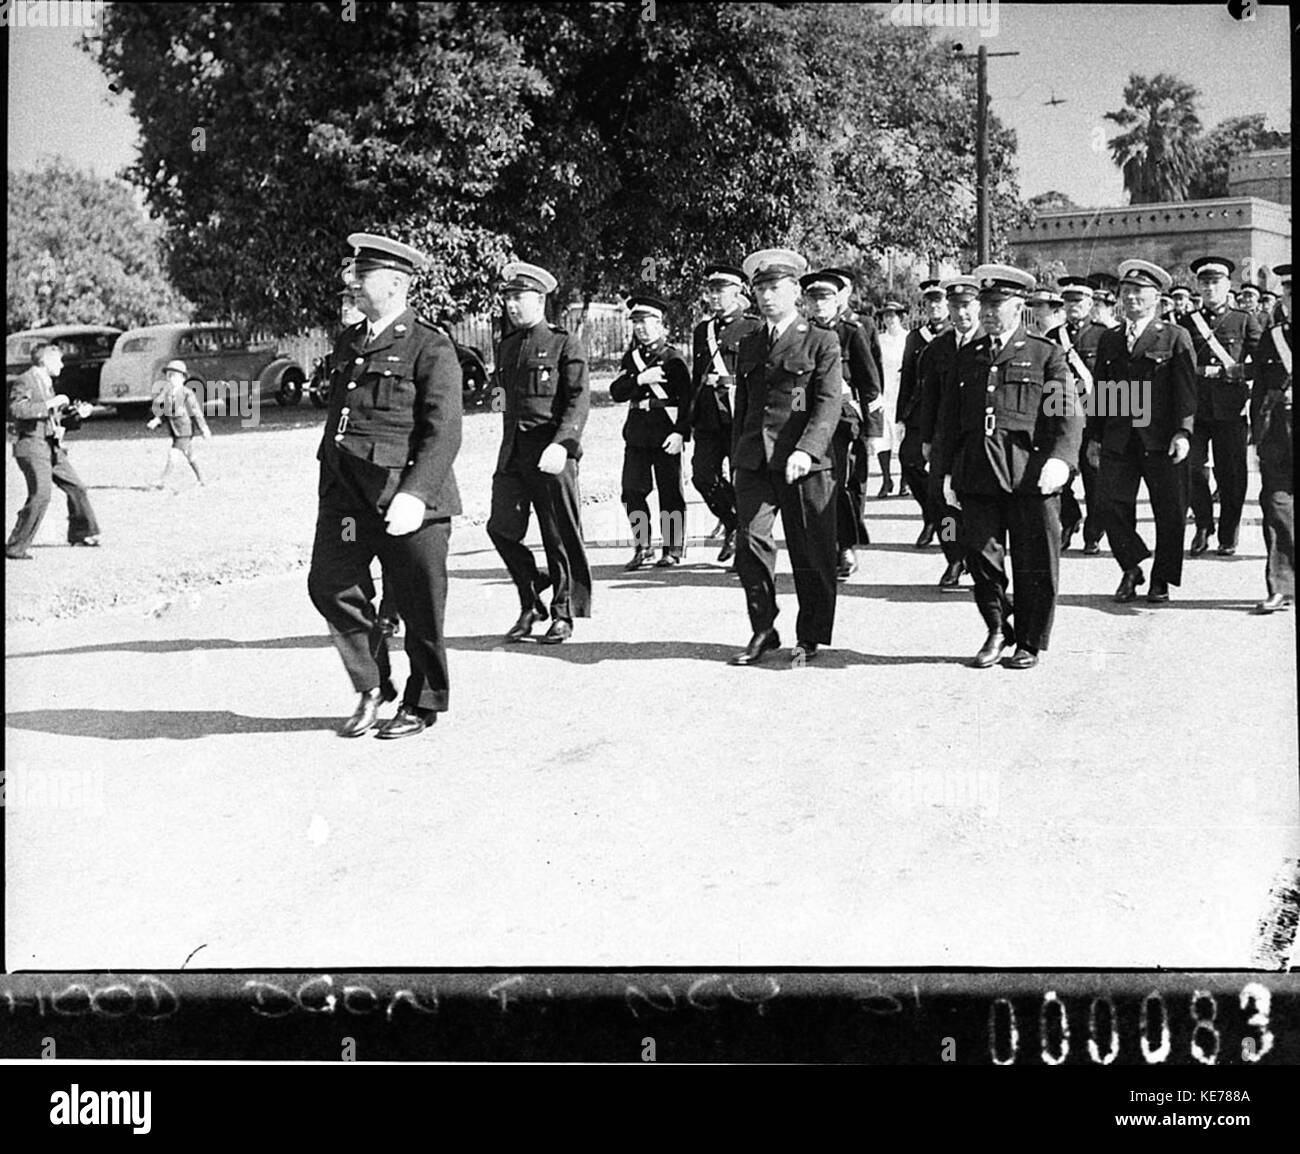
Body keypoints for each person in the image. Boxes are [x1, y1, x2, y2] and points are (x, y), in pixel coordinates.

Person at [308, 232, 463, 740]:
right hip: (349, 501)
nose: (352, 283)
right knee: (331, 585)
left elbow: (444, 430)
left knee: (420, 605)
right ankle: (372, 685)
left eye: (363, 274)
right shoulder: (350, 341)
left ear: (396, 283)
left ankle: (423, 701)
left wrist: (416, 493)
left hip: (407, 500)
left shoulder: (429, 345)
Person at [931, 264, 1081, 670]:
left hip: (1029, 473)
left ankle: (1029, 641)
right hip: (978, 471)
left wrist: (1061, 460)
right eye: (985, 304)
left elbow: (1067, 413)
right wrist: (944, 473)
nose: (987, 312)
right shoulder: (969, 355)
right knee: (981, 557)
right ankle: (998, 627)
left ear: (1018, 307)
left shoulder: (1045, 353)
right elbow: (949, 420)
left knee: (1034, 561)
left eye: (996, 304)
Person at [728, 247, 842, 666]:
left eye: (775, 288)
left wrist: (807, 450)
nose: (766, 296)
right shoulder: (750, 342)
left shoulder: (820, 340)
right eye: (760, 289)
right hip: (755, 460)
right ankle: (763, 627)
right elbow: (744, 406)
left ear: (795, 291)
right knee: (750, 543)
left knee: (809, 550)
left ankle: (809, 634)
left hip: (803, 462)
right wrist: (735, 456)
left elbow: (827, 403)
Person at [487, 260, 592, 644]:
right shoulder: (507, 346)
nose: (512, 306)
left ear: (540, 300)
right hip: (514, 453)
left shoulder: (564, 343)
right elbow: (501, 397)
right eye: (508, 299)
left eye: (519, 298)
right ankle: (532, 594)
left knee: (557, 534)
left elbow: (578, 400)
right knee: (501, 528)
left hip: (552, 453)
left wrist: (563, 444)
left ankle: (562, 613)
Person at [1089, 259, 1197, 604]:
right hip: (1119, 437)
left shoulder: (1174, 336)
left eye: (1139, 291)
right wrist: (1094, 435)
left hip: (1161, 438)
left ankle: (1161, 578)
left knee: (1170, 511)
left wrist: (1183, 433)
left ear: (1156, 298)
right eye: (1126, 291)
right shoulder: (1110, 338)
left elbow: (1186, 391)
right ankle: (1131, 566)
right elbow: (1103, 389)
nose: (1131, 297)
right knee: (1108, 505)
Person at [1179, 256, 1265, 558]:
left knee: (1231, 475)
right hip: (1195, 408)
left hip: (1230, 408)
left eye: (1215, 282)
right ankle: (1203, 525)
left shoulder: (1243, 320)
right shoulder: (1187, 323)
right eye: (1204, 283)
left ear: (1228, 285)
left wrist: (1238, 371)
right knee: (1191, 469)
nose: (1209, 288)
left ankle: (1228, 533)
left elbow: (1263, 362)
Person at [801, 268, 879, 578]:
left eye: (825, 299)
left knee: (839, 485)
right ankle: (825, 547)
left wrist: (873, 429)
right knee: (814, 487)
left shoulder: (852, 331)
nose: (819, 305)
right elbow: (796, 386)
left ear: (837, 300)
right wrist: (795, 415)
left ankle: (845, 545)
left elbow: (870, 384)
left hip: (843, 419)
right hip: (810, 420)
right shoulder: (800, 333)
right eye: (814, 299)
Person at [608, 294, 692, 569]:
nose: (641, 328)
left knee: (670, 494)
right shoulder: (632, 358)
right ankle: (643, 546)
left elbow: (687, 400)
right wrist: (641, 379)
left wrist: (680, 433)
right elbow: (617, 392)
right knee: (631, 491)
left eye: (646, 322)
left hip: (666, 433)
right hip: (637, 434)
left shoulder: (673, 358)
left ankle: (673, 549)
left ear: (660, 324)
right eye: (636, 323)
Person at [688, 264, 762, 565]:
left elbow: (761, 377)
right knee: (702, 475)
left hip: (739, 417)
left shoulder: (754, 328)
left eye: (720, 290)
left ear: (737, 292)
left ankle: (746, 544)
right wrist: (688, 421)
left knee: (742, 480)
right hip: (709, 417)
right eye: (711, 291)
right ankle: (733, 522)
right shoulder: (702, 331)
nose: (714, 296)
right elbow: (696, 378)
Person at [916, 275, 983, 588]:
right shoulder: (939, 347)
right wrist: (926, 438)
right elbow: (928, 396)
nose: (961, 313)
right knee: (940, 502)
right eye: (955, 306)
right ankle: (954, 556)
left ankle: (980, 558)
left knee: (976, 501)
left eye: (967, 305)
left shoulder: (990, 343)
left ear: (978, 306)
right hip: (945, 438)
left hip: (979, 438)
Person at [6, 340, 100, 559]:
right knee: (41, 495)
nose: (62, 365)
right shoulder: (25, 380)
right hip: (31, 446)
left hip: (50, 446)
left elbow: (53, 420)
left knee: (77, 487)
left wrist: (77, 414)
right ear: (45, 361)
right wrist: (50, 404)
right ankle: (15, 547)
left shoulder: (46, 382)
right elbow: (17, 410)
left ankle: (82, 534)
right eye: (58, 361)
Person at [1046, 276, 1107, 553]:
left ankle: (1094, 533)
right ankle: (1070, 518)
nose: (1073, 306)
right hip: (1060, 414)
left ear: (1090, 304)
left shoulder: (1103, 335)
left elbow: (1111, 380)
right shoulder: (1052, 337)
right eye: (1068, 301)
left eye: (1078, 301)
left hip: (1093, 415)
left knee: (1094, 478)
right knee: (1058, 475)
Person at [1249, 262, 1293, 614]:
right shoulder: (1273, 335)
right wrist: (1256, 433)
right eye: (1289, 293)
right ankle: (1281, 585)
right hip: (1278, 431)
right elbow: (1261, 387)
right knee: (1277, 505)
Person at [897, 279, 950, 542]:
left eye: (939, 301)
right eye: (929, 302)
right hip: (919, 413)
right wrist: (900, 417)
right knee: (909, 462)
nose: (934, 307)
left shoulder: (956, 334)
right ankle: (931, 514)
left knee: (945, 479)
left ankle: (950, 535)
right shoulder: (916, 337)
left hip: (948, 414)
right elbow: (907, 377)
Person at [146, 359, 211, 489]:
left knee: (173, 454)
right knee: (190, 455)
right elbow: (166, 412)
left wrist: (204, 428)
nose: (171, 379)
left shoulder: (187, 393)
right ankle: (202, 479)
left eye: (174, 376)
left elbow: (196, 411)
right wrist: (157, 420)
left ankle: (162, 481)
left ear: (182, 378)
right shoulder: (168, 393)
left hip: (184, 430)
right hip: (175, 430)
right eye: (169, 376)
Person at [874, 301, 908, 495]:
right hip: (883, 393)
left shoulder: (908, 338)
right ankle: (886, 479)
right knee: (882, 438)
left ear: (901, 317)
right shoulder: (879, 340)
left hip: (901, 393)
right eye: (886, 316)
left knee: (902, 437)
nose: (889, 319)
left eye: (893, 315)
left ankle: (905, 480)